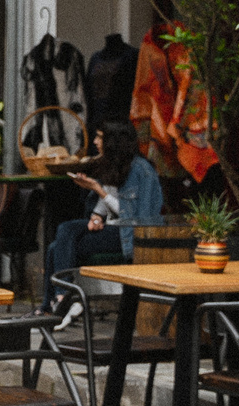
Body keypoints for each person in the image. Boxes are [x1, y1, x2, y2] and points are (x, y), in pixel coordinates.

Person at [45, 123, 164, 326]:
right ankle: (56, 302)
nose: (95, 142)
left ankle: (61, 300)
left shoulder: (141, 171)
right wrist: (96, 217)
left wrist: (98, 189)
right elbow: (106, 203)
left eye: (100, 137)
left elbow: (136, 218)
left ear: (113, 142)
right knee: (60, 238)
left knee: (58, 246)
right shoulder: (114, 164)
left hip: (128, 234)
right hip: (112, 228)